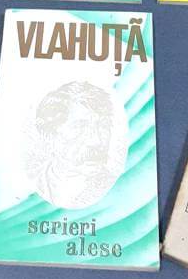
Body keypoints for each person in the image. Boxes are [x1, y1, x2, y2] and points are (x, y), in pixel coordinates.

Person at [28, 81, 124, 209]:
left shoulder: (119, 187)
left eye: (103, 126)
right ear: (50, 135)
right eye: (80, 128)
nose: (96, 141)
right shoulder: (30, 185)